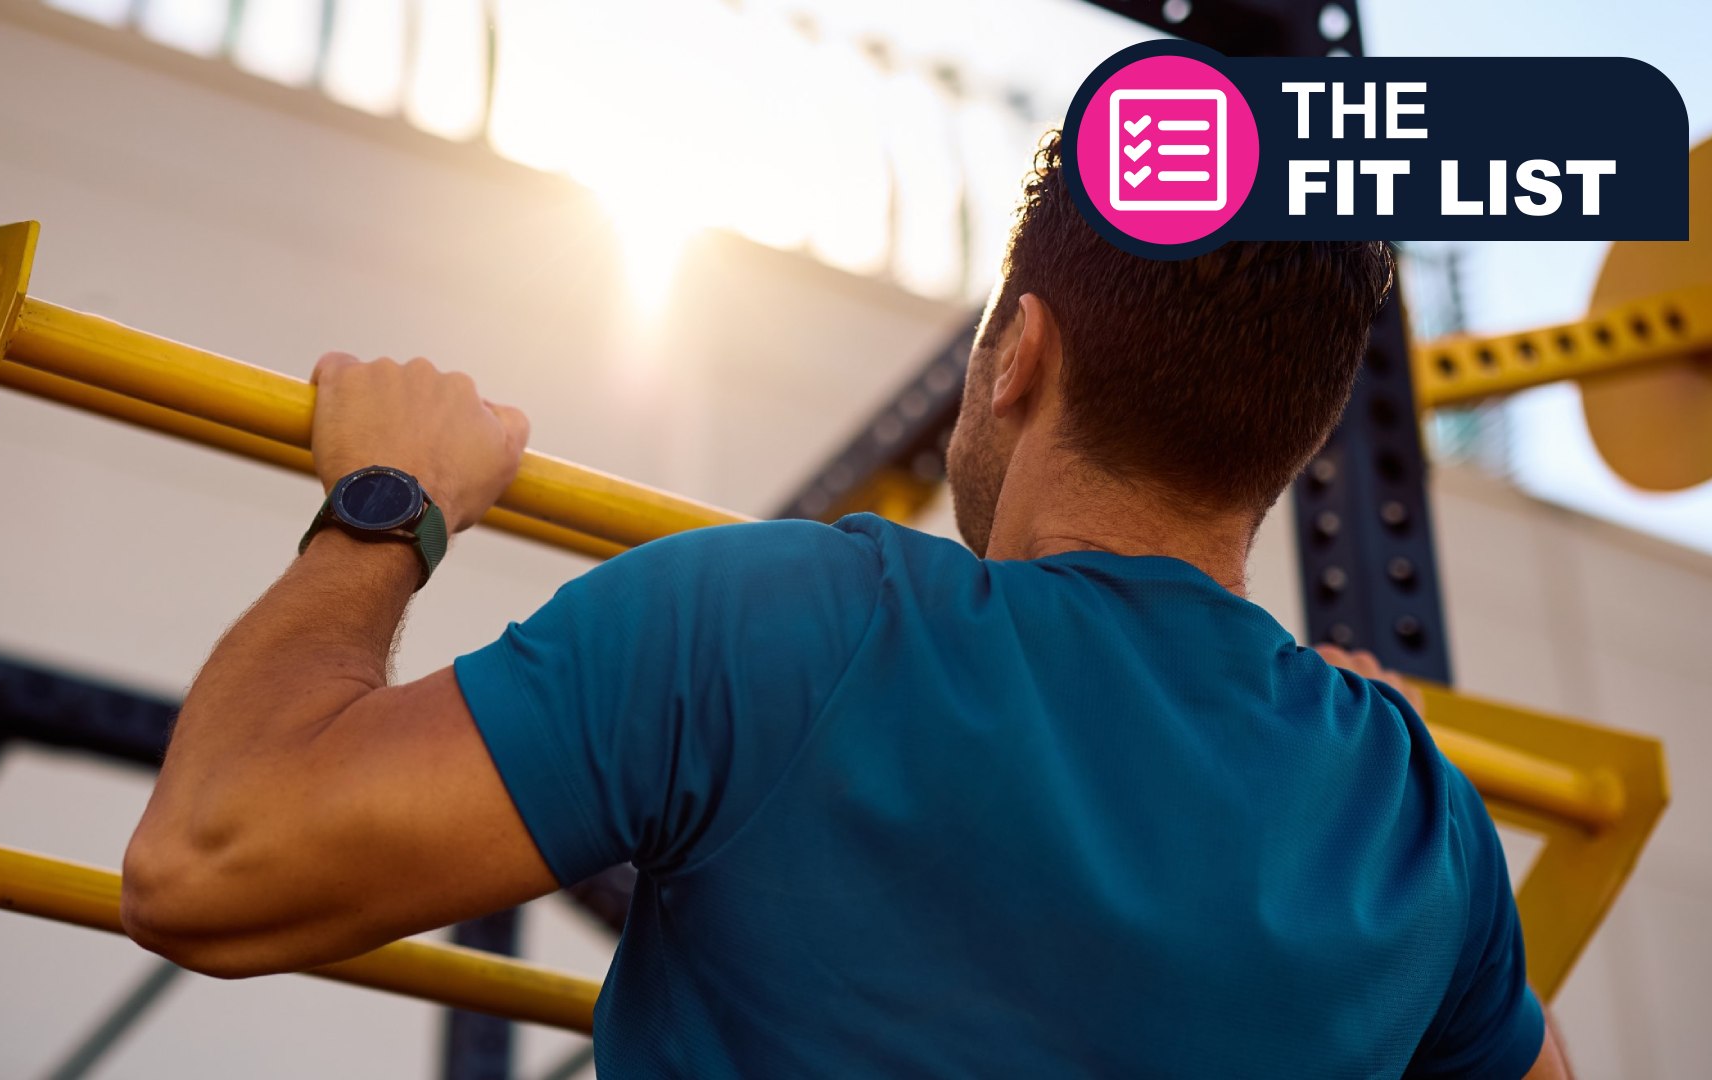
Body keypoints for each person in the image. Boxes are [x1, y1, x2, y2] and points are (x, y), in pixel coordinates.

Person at [121, 134, 1570, 1078]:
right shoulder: (1413, 819)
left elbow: (210, 860)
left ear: (1016, 357)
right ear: (1290, 442)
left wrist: (388, 501)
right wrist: (1398, 782)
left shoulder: (787, 623)